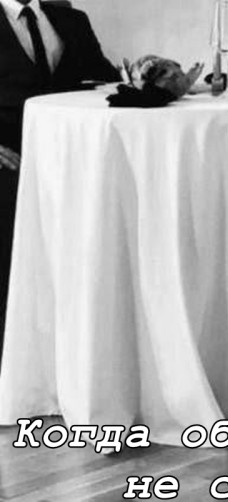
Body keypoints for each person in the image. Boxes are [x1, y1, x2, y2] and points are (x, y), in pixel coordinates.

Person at [0, 0, 120, 362]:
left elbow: (106, 82)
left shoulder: (72, 20)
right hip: (11, 157)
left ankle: (83, 352)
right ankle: (15, 359)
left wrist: (147, 76)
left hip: (72, 159)